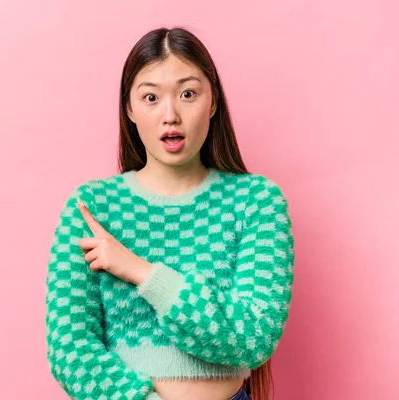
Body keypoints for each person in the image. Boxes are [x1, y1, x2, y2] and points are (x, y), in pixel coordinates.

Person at [45, 26, 295, 400]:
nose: (170, 115)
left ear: (212, 102)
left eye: (188, 94)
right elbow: (70, 350)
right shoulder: (91, 208)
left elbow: (254, 339)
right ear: (129, 108)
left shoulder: (255, 201)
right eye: (150, 97)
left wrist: (143, 273)